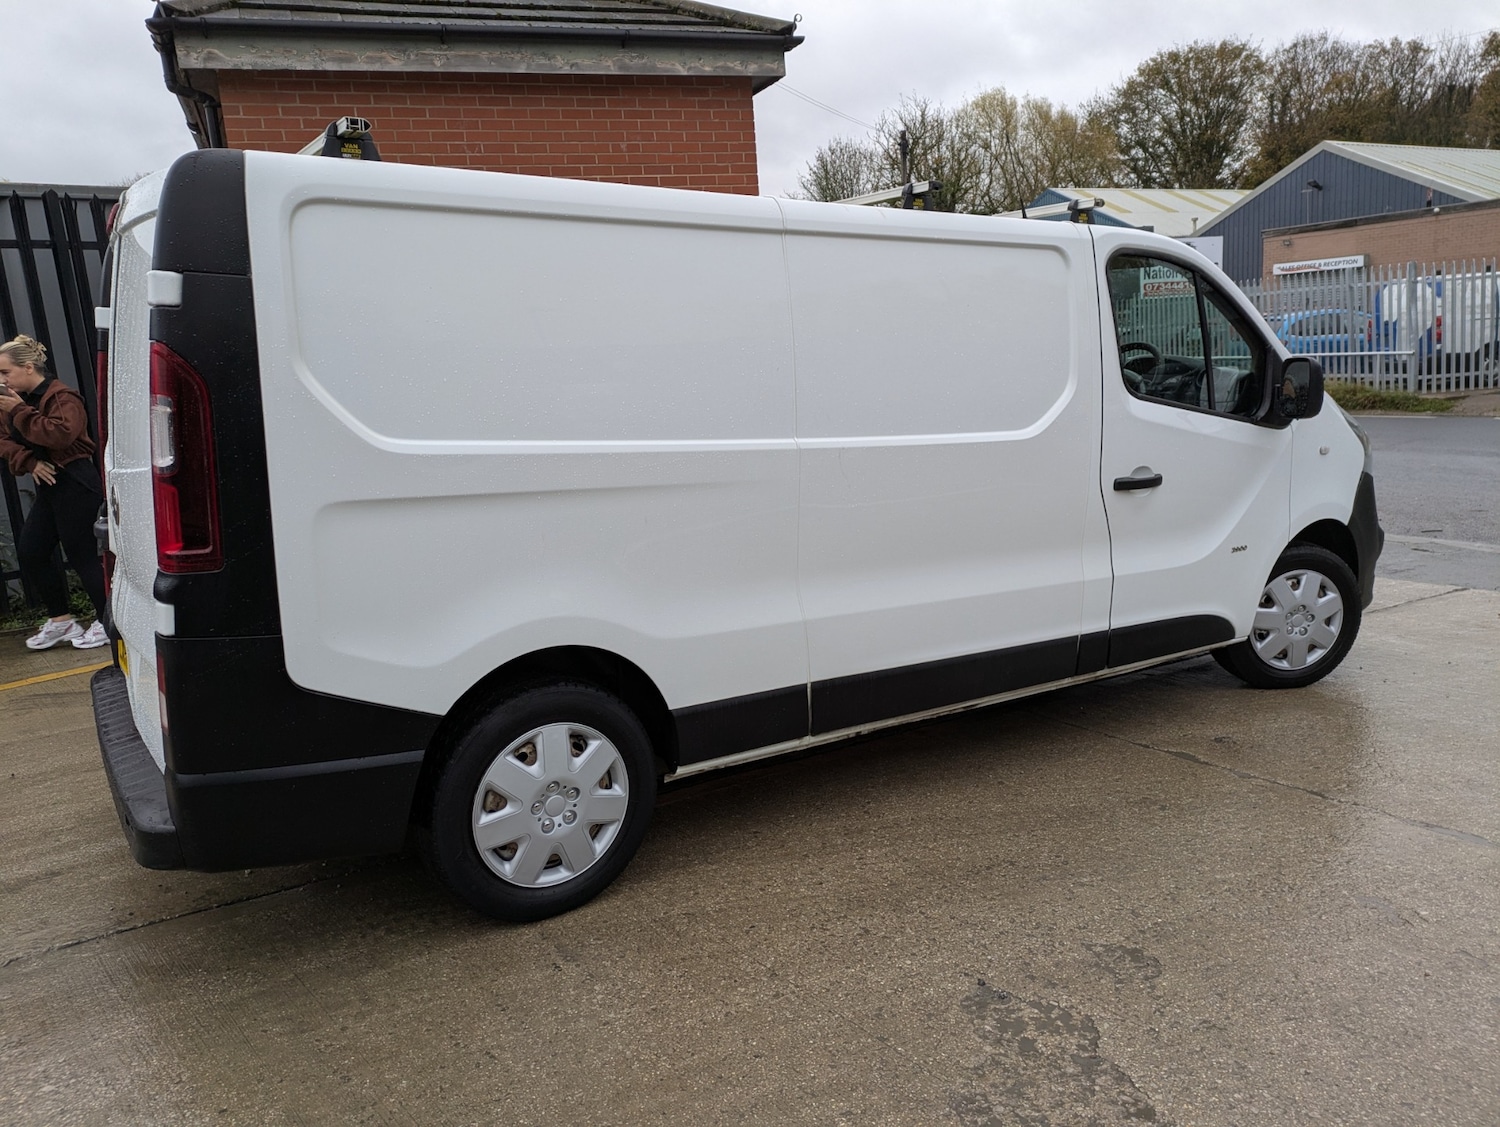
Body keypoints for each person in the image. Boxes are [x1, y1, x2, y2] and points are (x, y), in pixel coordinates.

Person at [0, 334, 109, 649]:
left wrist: (21, 411)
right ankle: (62, 621)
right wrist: (30, 462)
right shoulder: (12, 400)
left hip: (75, 481)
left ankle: (107, 622)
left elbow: (59, 436)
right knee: (32, 550)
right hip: (48, 485)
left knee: (84, 556)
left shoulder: (61, 396)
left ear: (29, 367)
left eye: (6, 372)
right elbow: (4, 440)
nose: (2, 380)